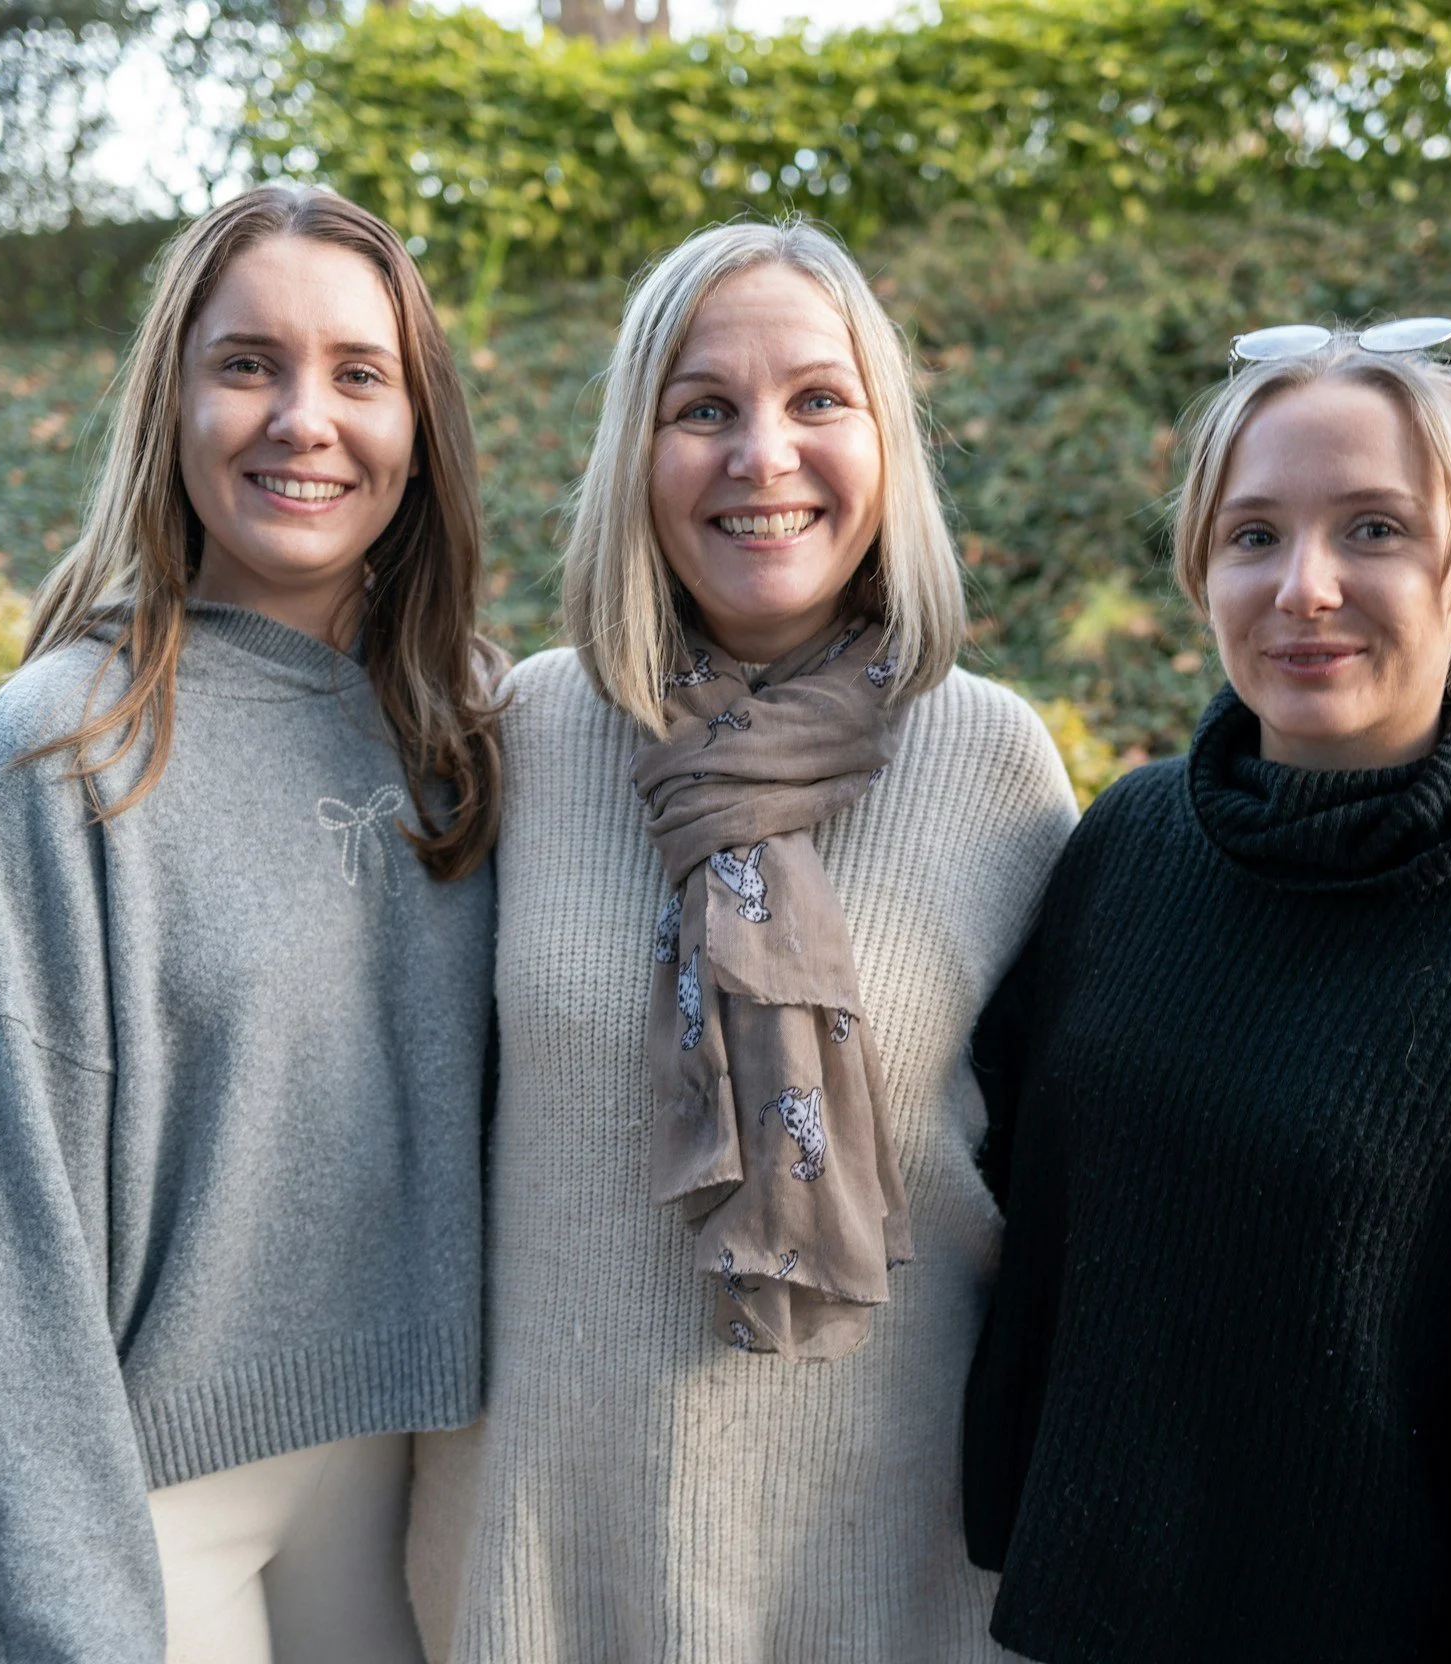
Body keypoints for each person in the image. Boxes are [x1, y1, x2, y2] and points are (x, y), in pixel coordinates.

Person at [961, 321, 1451, 1661]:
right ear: (1203, 570)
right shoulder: (1127, 851)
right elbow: (1006, 1212)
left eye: (1372, 529)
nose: (1304, 587)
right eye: (1254, 535)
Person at [406, 218, 1078, 1661]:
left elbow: (1073, 1212)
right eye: (702, 407)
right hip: (555, 1564)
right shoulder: (520, 737)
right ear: (635, 455)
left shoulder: (995, 768)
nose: (762, 455)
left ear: (886, 439)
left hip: (893, 1577)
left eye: (818, 400)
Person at [0, 184, 501, 1663]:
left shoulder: (474, 722)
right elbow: (0, 1232)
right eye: (247, 365)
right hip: (153, 1520)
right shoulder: (67, 745)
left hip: (439, 1491)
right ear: (171, 400)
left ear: (419, 431)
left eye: (359, 374)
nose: (305, 418)